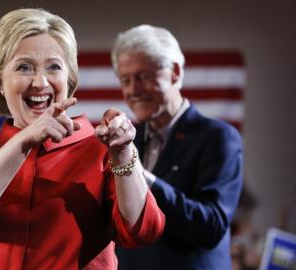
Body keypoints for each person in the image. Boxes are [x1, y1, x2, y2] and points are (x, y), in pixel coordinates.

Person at [0, 8, 165, 270]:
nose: (40, 81)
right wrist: (25, 140)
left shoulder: (101, 150)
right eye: (24, 67)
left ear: (69, 80)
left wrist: (125, 154)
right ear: (0, 81)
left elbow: (143, 231)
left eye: (54, 67)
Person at [111, 25, 243, 270]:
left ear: (175, 72)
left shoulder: (218, 137)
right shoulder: (126, 140)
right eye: (125, 80)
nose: (133, 90)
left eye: (143, 77)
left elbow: (212, 225)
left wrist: (142, 178)